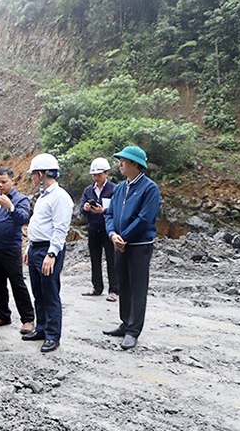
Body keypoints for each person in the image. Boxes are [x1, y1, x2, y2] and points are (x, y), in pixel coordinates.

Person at [103, 146, 161, 350]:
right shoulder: (119, 188)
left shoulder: (149, 188)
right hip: (119, 244)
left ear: (135, 164)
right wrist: (112, 234)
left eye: (123, 161)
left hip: (138, 246)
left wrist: (123, 237)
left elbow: (145, 219)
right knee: (123, 285)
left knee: (137, 288)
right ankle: (125, 322)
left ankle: (133, 330)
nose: (120, 164)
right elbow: (109, 214)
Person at [22, 153, 74, 353]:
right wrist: (29, 247)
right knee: (38, 292)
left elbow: (60, 229)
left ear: (42, 174)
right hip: (36, 247)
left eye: (34, 174)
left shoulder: (60, 197)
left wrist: (51, 255)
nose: (32, 179)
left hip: (48, 249)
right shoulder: (44, 196)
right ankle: (41, 328)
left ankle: (53, 335)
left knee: (50, 293)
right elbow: (38, 224)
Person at [0, 167, 35, 334]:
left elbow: (24, 219)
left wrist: (10, 207)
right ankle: (3, 315)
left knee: (17, 283)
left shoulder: (21, 199)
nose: (0, 185)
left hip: (11, 247)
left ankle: (28, 319)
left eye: (4, 182)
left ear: (13, 181)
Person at [79, 157, 118, 301]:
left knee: (111, 260)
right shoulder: (88, 190)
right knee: (95, 259)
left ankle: (114, 289)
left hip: (108, 229)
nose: (96, 177)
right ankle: (97, 287)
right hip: (93, 228)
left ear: (106, 173)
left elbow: (118, 209)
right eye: (94, 175)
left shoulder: (114, 189)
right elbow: (81, 209)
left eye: (99, 174)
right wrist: (86, 208)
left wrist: (104, 211)